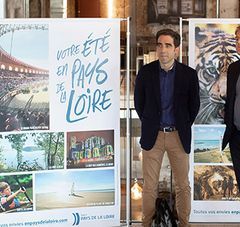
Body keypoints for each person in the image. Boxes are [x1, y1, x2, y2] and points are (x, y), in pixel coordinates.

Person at [134, 29, 200, 227]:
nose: (163, 50)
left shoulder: (189, 75)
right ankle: (146, 223)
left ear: (177, 50)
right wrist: (150, 122)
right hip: (152, 135)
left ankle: (184, 224)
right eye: (160, 45)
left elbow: (194, 106)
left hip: (177, 135)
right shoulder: (146, 72)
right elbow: (139, 103)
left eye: (168, 45)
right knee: (149, 187)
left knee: (183, 186)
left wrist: (182, 125)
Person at [222, 25, 240, 193]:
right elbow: (231, 98)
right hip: (236, 135)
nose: (239, 43)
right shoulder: (234, 68)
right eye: (237, 39)